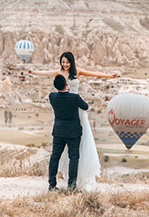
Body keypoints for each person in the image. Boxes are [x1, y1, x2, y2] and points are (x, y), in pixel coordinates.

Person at [28, 51, 117, 190]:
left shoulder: (76, 73)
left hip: (73, 110)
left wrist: (109, 76)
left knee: (63, 152)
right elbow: (47, 73)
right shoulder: (58, 73)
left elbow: (93, 73)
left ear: (71, 62)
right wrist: (34, 72)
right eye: (63, 62)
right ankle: (71, 185)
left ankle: (59, 183)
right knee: (72, 154)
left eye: (67, 62)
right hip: (71, 107)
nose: (65, 64)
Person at [48, 74, 88, 190]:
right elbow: (85, 107)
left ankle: (52, 184)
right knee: (74, 158)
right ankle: (71, 186)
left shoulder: (52, 97)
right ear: (67, 84)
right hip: (73, 132)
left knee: (55, 157)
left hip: (58, 131)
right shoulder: (74, 98)